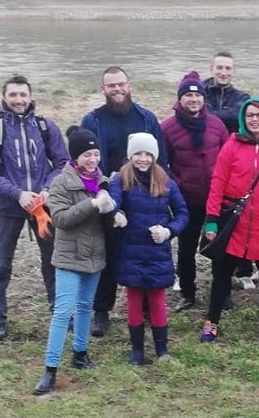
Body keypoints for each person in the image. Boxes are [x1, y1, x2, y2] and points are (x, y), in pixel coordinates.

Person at [0, 74, 69, 341]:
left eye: (23, 95)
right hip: (8, 208)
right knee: (0, 266)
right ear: (4, 98)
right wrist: (17, 194)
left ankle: (59, 312)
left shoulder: (45, 126)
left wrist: (48, 189)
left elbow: (62, 162)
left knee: (54, 261)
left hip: (43, 208)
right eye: (13, 95)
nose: (18, 100)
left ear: (30, 97)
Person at [81, 66, 169, 337]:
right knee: (105, 254)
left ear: (129, 85)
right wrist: (101, 192)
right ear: (103, 89)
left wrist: (160, 196)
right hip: (107, 196)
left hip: (143, 199)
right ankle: (101, 310)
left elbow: (162, 161)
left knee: (143, 251)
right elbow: (84, 163)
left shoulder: (146, 118)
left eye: (121, 84)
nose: (117, 90)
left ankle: (145, 307)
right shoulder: (92, 121)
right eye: (111, 86)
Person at [200, 98, 259, 342]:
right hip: (235, 221)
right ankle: (212, 320)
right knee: (223, 271)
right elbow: (218, 183)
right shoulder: (231, 147)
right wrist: (211, 220)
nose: (255, 120)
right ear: (244, 119)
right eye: (250, 115)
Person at [33, 127, 116, 395]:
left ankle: (80, 354)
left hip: (94, 256)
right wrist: (92, 205)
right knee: (62, 311)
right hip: (69, 257)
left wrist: (115, 214)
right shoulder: (61, 183)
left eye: (95, 154)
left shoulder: (103, 181)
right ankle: (50, 368)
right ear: (75, 157)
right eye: (86, 155)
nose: (92, 159)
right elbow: (61, 220)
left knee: (85, 307)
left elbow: (106, 216)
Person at [108, 133, 188, 364]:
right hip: (130, 250)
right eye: (138, 154)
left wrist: (168, 231)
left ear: (154, 156)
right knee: (133, 298)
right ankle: (137, 350)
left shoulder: (166, 182)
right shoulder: (120, 180)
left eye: (147, 154)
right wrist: (115, 214)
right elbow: (113, 203)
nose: (142, 159)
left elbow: (182, 213)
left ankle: (162, 350)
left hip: (156, 252)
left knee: (157, 300)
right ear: (130, 155)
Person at [161, 71, 229, 312]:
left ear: (203, 99)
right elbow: (163, 164)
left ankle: (223, 292)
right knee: (186, 247)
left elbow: (227, 157)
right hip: (186, 198)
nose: (193, 100)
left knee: (219, 246)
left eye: (197, 95)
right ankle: (188, 292)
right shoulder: (168, 128)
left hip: (216, 198)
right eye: (188, 95)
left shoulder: (217, 124)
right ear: (180, 99)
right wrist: (176, 186)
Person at [205, 51, 251, 134]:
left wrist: (207, 115)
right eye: (219, 68)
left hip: (230, 140)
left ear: (234, 72)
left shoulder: (243, 97)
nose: (223, 73)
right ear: (211, 69)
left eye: (228, 68)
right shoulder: (200, 93)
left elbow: (235, 117)